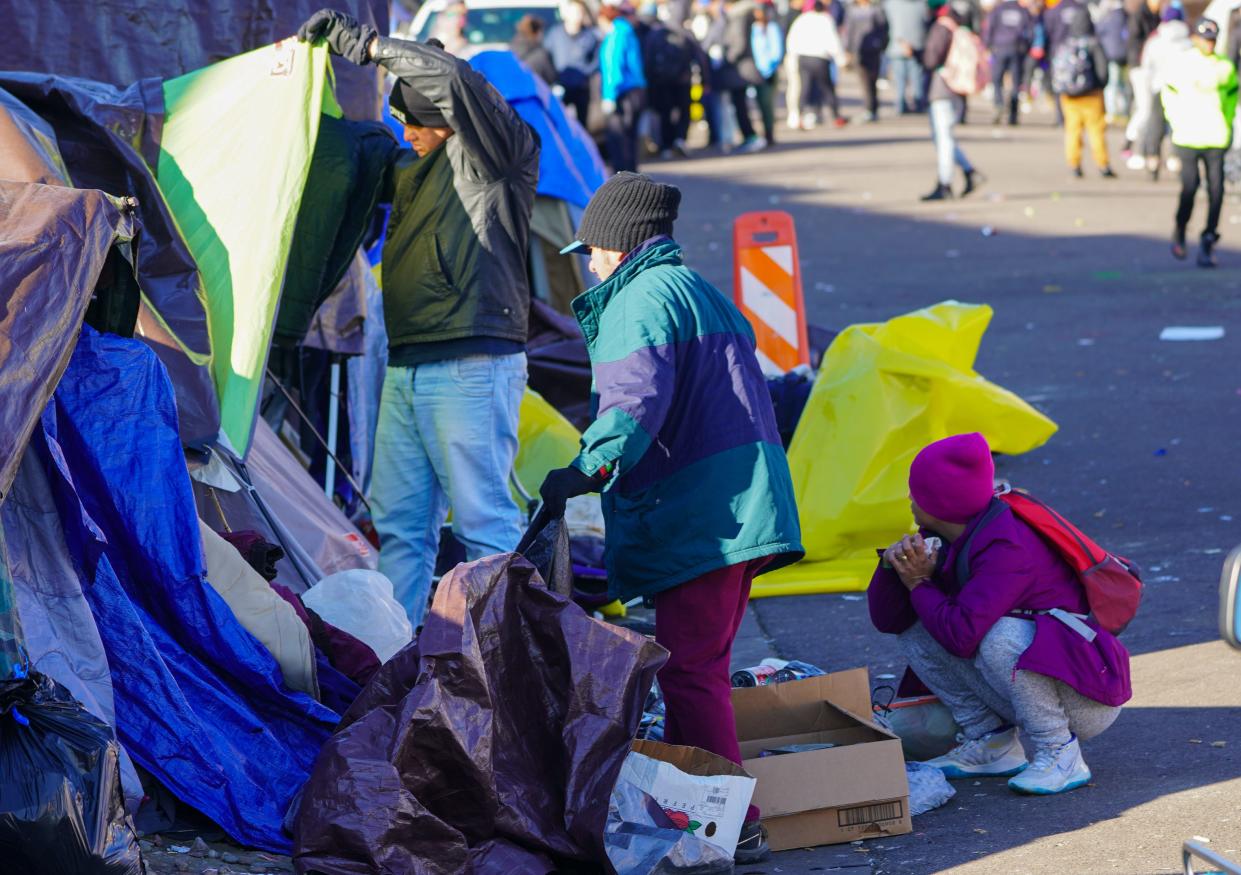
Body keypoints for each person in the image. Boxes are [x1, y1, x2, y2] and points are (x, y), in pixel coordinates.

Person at [538, 172, 803, 864]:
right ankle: (716, 811)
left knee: (690, 671)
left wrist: (585, 469)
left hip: (706, 516)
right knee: (699, 665)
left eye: (590, 251)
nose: (587, 264)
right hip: (735, 506)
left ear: (617, 246)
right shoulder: (693, 289)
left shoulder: (641, 299)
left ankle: (730, 821)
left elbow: (632, 402)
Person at [297, 9, 540, 628]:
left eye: (414, 123)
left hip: (470, 360)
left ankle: (504, 674)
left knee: (484, 525)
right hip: (407, 365)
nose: (406, 134)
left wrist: (367, 45)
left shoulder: (497, 155)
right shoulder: (410, 167)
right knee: (401, 529)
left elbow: (456, 81)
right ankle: (399, 667)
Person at [868, 433, 1131, 795]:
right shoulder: (948, 532)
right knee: (918, 625)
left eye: (917, 491)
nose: (910, 497)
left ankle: (1060, 753)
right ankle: (991, 742)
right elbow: (889, 621)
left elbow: (960, 637)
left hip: (1087, 699)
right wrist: (891, 569)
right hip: (1037, 684)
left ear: (940, 501)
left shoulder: (1008, 546)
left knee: (1001, 636)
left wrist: (919, 584)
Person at [1162, 17, 1239, 267]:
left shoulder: (1225, 66)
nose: (1209, 44)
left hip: (1215, 137)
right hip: (1187, 137)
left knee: (1216, 191)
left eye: (1212, 40)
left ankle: (1208, 238)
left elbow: (1231, 98)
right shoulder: (1182, 63)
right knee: (1190, 187)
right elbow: (1168, 94)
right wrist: (1176, 121)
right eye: (1205, 39)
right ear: (1195, 38)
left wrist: (1225, 124)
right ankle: (1181, 228)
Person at [920, 2, 983, 200]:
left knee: (944, 138)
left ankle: (945, 182)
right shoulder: (959, 26)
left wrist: (916, 54)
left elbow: (931, 59)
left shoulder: (942, 27)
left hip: (943, 87)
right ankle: (969, 171)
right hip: (955, 87)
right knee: (944, 136)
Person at [1052, 8, 1117, 178]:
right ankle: (1103, 165)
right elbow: (1103, 71)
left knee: (1072, 131)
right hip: (1091, 95)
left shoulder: (1066, 43)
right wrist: (1100, 86)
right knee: (1096, 131)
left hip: (1069, 96)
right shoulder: (1094, 43)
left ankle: (1074, 164)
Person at [599, 3, 648, 172]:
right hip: (636, 91)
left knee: (619, 140)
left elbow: (614, 66)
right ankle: (632, 177)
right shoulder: (628, 31)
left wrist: (609, 96)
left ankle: (623, 181)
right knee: (630, 139)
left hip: (623, 93)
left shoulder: (616, 34)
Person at [1142, 16, 1192, 179]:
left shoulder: (1155, 41)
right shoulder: (1188, 43)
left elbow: (1146, 66)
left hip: (1159, 87)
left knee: (1155, 126)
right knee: (1178, 127)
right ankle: (1176, 160)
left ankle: (1153, 161)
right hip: (1181, 90)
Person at [787, 0, 850, 127]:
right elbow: (833, 41)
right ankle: (835, 116)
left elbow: (792, 40)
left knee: (804, 88)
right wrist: (841, 59)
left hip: (803, 58)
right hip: (820, 58)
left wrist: (792, 57)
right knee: (827, 88)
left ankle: (800, 115)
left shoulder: (802, 19)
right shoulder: (826, 19)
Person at [546, 0, 602, 125]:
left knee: (582, 125)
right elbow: (546, 57)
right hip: (560, 87)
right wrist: (553, 77)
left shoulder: (590, 35)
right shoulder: (554, 34)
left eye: (580, 12)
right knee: (559, 123)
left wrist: (585, 72)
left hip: (581, 88)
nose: (578, 15)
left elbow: (597, 59)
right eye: (574, 12)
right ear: (566, 13)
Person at [1124, 0, 1165, 161]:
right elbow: (1134, 41)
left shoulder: (1156, 16)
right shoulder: (1139, 15)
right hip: (1141, 67)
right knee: (1145, 108)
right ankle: (1130, 142)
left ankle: (1140, 145)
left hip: (1152, 67)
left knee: (1149, 109)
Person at [984, 0, 1034, 125]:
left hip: (1000, 48)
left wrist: (987, 45)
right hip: (1016, 50)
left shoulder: (998, 9)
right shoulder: (1022, 11)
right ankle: (1013, 114)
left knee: (997, 80)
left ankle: (998, 104)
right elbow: (1030, 31)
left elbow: (989, 27)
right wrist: (1026, 47)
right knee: (1016, 83)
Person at [845, 0, 890, 121]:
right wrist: (848, 50)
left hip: (873, 49)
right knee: (864, 80)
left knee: (873, 79)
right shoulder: (852, 11)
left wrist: (881, 45)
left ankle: (873, 107)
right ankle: (868, 108)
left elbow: (884, 30)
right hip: (858, 50)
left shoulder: (877, 10)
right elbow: (849, 31)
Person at [884, 0, 930, 114]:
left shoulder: (891, 4)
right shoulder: (922, 4)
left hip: (898, 45)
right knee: (916, 79)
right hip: (915, 45)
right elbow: (925, 22)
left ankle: (901, 105)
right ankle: (918, 104)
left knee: (900, 80)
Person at [749, 0, 785, 144]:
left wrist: (768, 68)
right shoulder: (753, 29)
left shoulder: (772, 28)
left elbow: (776, 52)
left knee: (767, 104)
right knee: (758, 104)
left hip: (768, 72)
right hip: (755, 72)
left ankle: (769, 133)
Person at [1095, 0, 1130, 123]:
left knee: (1112, 85)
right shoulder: (1127, 17)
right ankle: (1124, 111)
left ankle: (1112, 112)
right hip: (1125, 56)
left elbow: (1098, 31)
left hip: (1111, 55)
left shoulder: (1108, 18)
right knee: (1123, 85)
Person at [512, 14, 559, 84]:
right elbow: (551, 78)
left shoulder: (510, 50)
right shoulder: (541, 54)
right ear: (537, 32)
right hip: (534, 93)